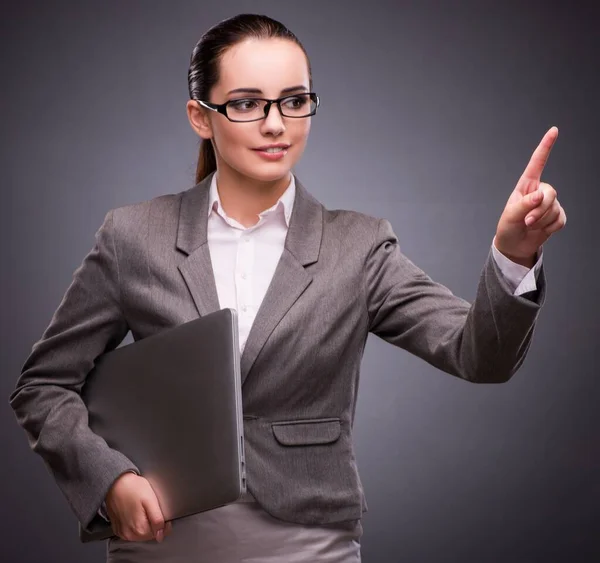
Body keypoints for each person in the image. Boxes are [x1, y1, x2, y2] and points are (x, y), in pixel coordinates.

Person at [9, 12, 566, 563]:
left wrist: (514, 253)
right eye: (247, 103)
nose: (276, 124)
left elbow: (480, 356)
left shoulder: (360, 245)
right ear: (201, 117)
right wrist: (110, 480)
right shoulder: (133, 236)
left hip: (311, 545)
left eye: (294, 101)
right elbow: (42, 386)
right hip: (160, 544)